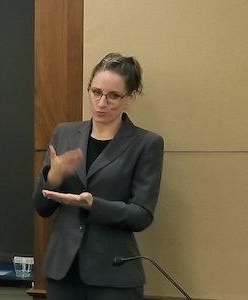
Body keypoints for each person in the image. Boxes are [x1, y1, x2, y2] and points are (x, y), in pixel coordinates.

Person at [34, 52, 164, 299]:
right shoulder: (64, 134)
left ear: (131, 96)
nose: (101, 103)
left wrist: (93, 204)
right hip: (63, 272)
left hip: (113, 275)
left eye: (113, 96)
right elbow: (41, 207)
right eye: (96, 92)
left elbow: (141, 215)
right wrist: (53, 178)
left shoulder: (146, 143)